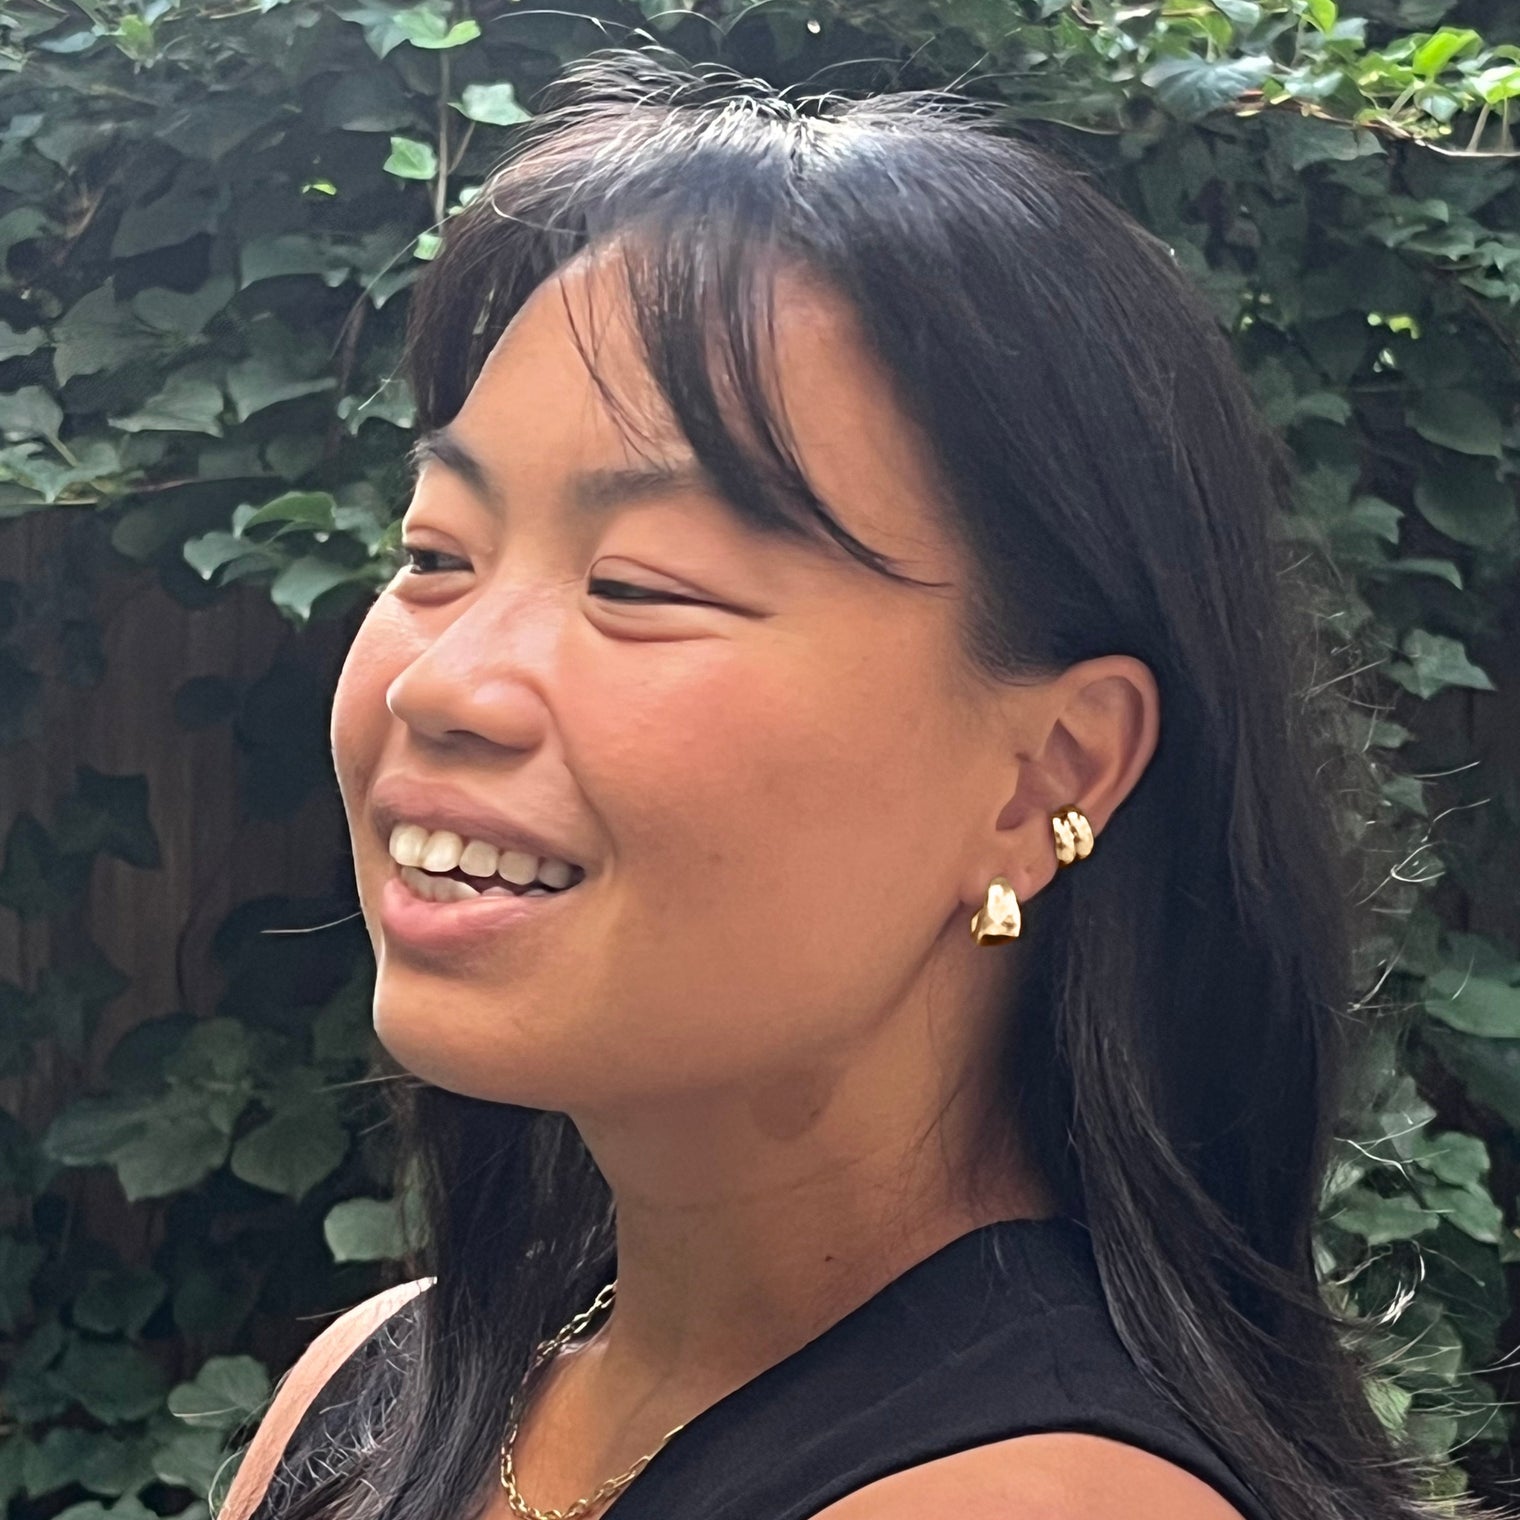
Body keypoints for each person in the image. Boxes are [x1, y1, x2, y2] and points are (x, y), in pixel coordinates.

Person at [220, 46, 1466, 1520]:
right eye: (436, 556)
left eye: (640, 584)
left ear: (1043, 778)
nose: (439, 683)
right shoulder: (375, 1387)